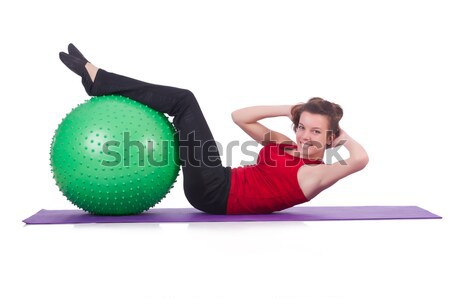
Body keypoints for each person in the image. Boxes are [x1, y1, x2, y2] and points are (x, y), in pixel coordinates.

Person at [59, 44, 369, 215]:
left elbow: (359, 159)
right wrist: (291, 108)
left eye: (316, 132)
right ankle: (100, 80)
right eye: (302, 127)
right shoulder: (286, 145)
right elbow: (240, 117)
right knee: (181, 110)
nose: (305, 136)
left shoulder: (316, 175)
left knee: (184, 102)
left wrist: (343, 138)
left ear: (330, 138)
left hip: (216, 194)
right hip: (220, 179)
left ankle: (100, 80)